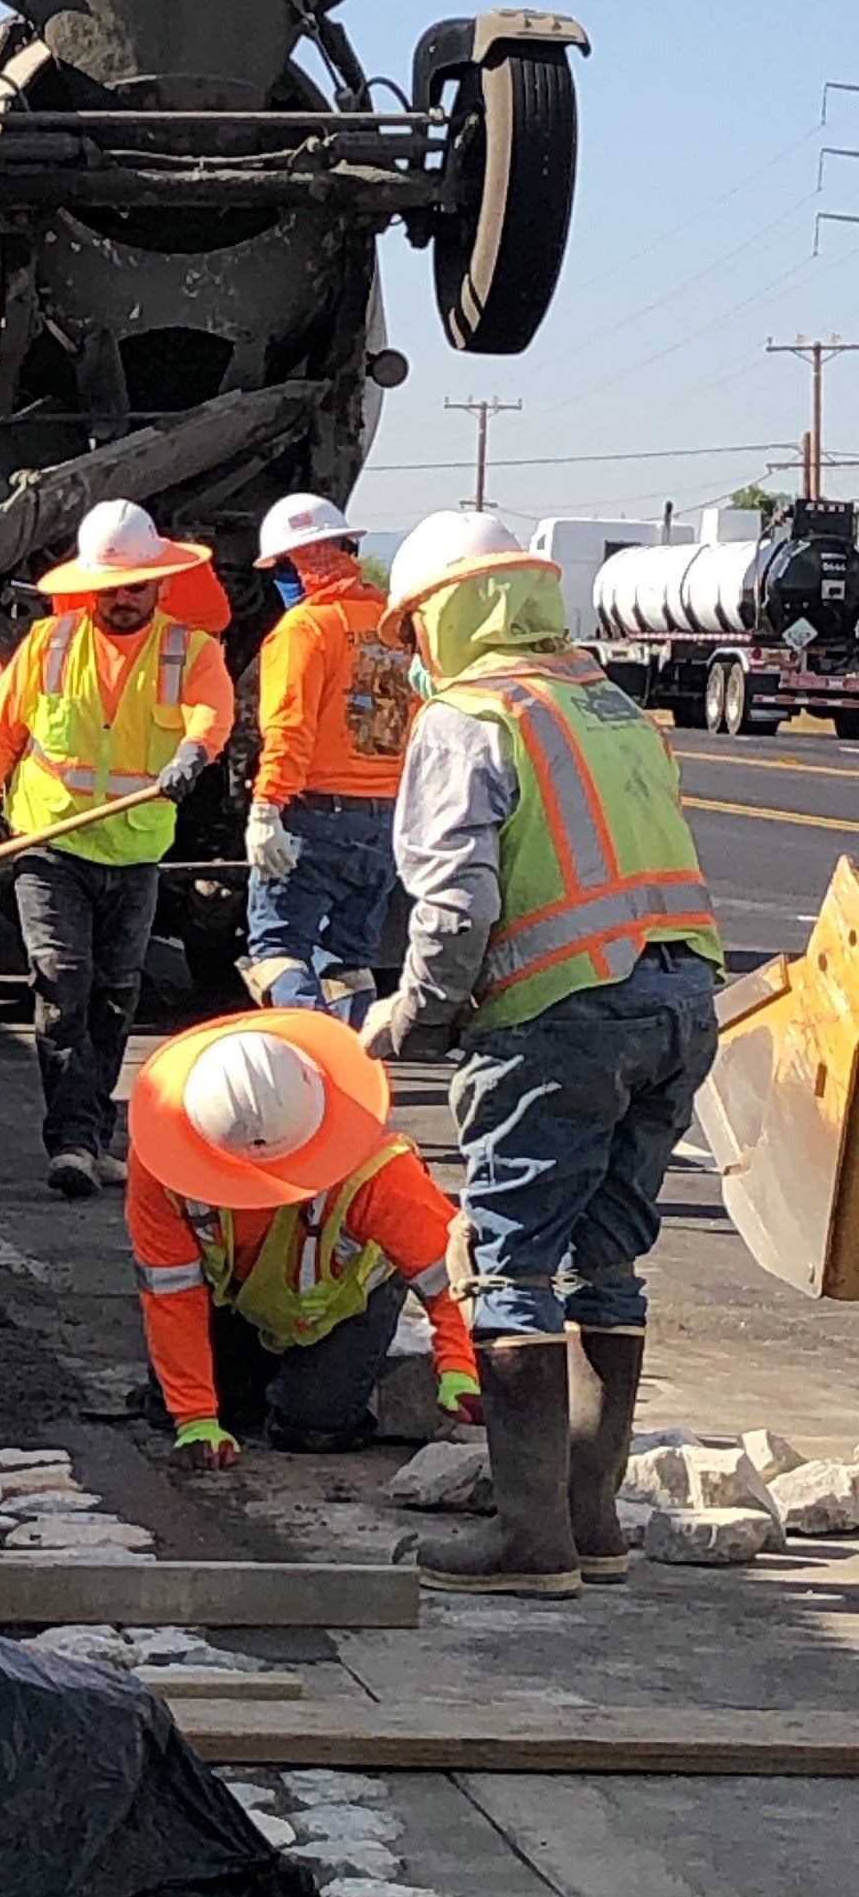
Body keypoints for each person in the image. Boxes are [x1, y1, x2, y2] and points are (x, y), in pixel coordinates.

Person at [361, 508, 723, 1593]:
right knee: (608, 1262)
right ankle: (590, 1522)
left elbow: (457, 900)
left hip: (564, 1010)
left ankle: (529, 1543)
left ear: (447, 616)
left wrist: (417, 1013)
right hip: (681, 1000)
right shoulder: (607, 701)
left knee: (511, 1263)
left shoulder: (470, 717)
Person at [0, 501, 236, 1199]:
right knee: (61, 981)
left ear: (159, 584)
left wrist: (195, 751)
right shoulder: (48, 646)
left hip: (135, 852)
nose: (123, 600)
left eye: (135, 587)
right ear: (89, 586)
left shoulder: (189, 651)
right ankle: (74, 1140)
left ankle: (90, 1134)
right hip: (46, 845)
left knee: (114, 997)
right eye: (111, 588)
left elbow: (212, 710)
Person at [128, 1010, 482, 1463]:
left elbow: (449, 1273)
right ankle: (258, 1377)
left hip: (344, 1308)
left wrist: (459, 1366)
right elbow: (171, 1294)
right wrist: (195, 1417)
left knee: (312, 1427)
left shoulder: (377, 1169)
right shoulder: (162, 1166)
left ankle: (331, 1375)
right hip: (240, 1302)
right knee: (178, 1411)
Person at [245, 493, 415, 1018]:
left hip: (315, 814)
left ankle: (311, 1069)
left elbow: (289, 727)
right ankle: (355, 1077)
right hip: (385, 820)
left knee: (277, 953)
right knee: (349, 961)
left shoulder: (304, 629)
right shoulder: (396, 625)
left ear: (297, 563)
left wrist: (267, 806)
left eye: (280, 566)